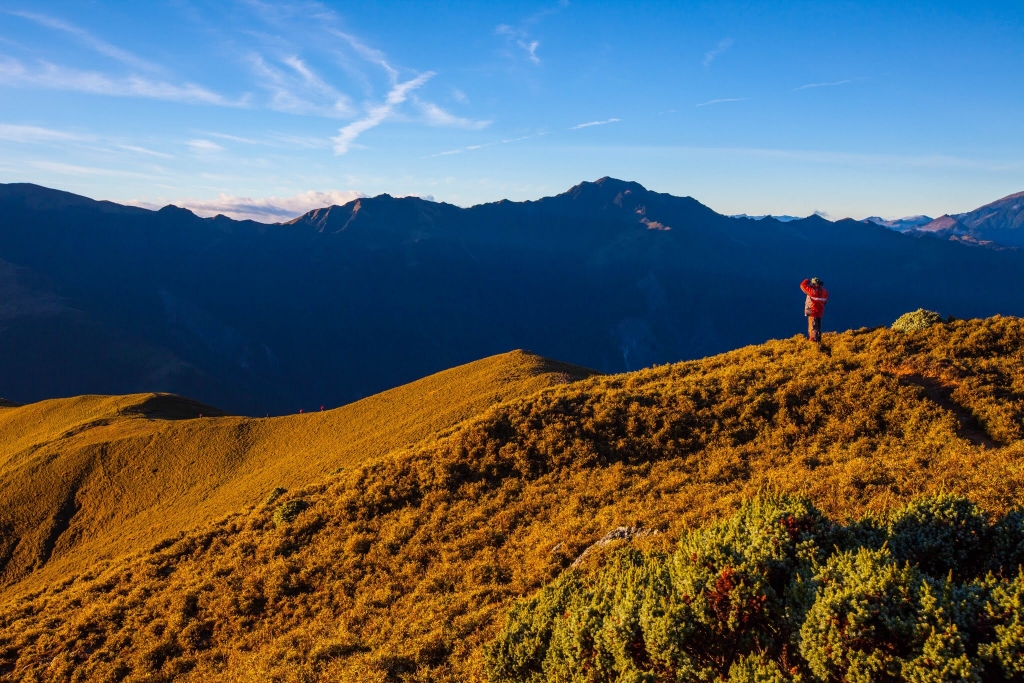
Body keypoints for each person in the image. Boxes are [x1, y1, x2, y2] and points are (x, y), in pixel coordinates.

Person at [800, 277, 829, 343]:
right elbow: (825, 300)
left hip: (812, 312)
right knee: (818, 328)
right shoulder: (824, 292)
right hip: (820, 312)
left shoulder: (811, 291)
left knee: (813, 327)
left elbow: (802, 285)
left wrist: (807, 280)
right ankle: (818, 341)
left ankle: (813, 341)